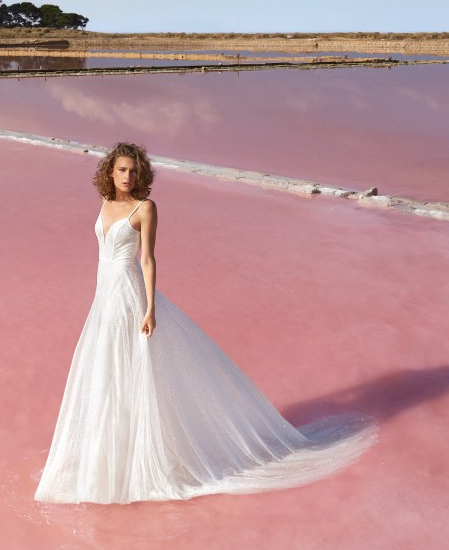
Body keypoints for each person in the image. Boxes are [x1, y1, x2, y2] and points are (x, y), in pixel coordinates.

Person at [34, 142, 375, 504]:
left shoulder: (145, 208)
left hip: (128, 295)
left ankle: (139, 459)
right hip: (104, 296)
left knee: (133, 370)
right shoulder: (105, 202)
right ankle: (108, 459)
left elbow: (147, 260)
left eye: (133, 171)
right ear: (110, 172)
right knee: (106, 369)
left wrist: (150, 308)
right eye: (121, 170)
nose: (128, 176)